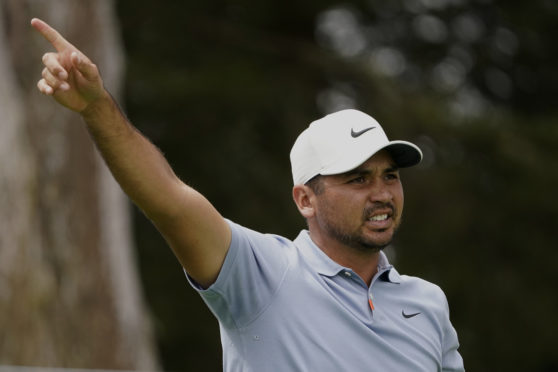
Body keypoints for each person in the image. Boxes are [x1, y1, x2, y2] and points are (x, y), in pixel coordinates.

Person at [31, 17, 465, 371]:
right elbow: (169, 201)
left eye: (390, 176)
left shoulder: (427, 303)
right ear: (304, 200)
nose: (382, 193)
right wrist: (96, 107)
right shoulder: (261, 275)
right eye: (358, 179)